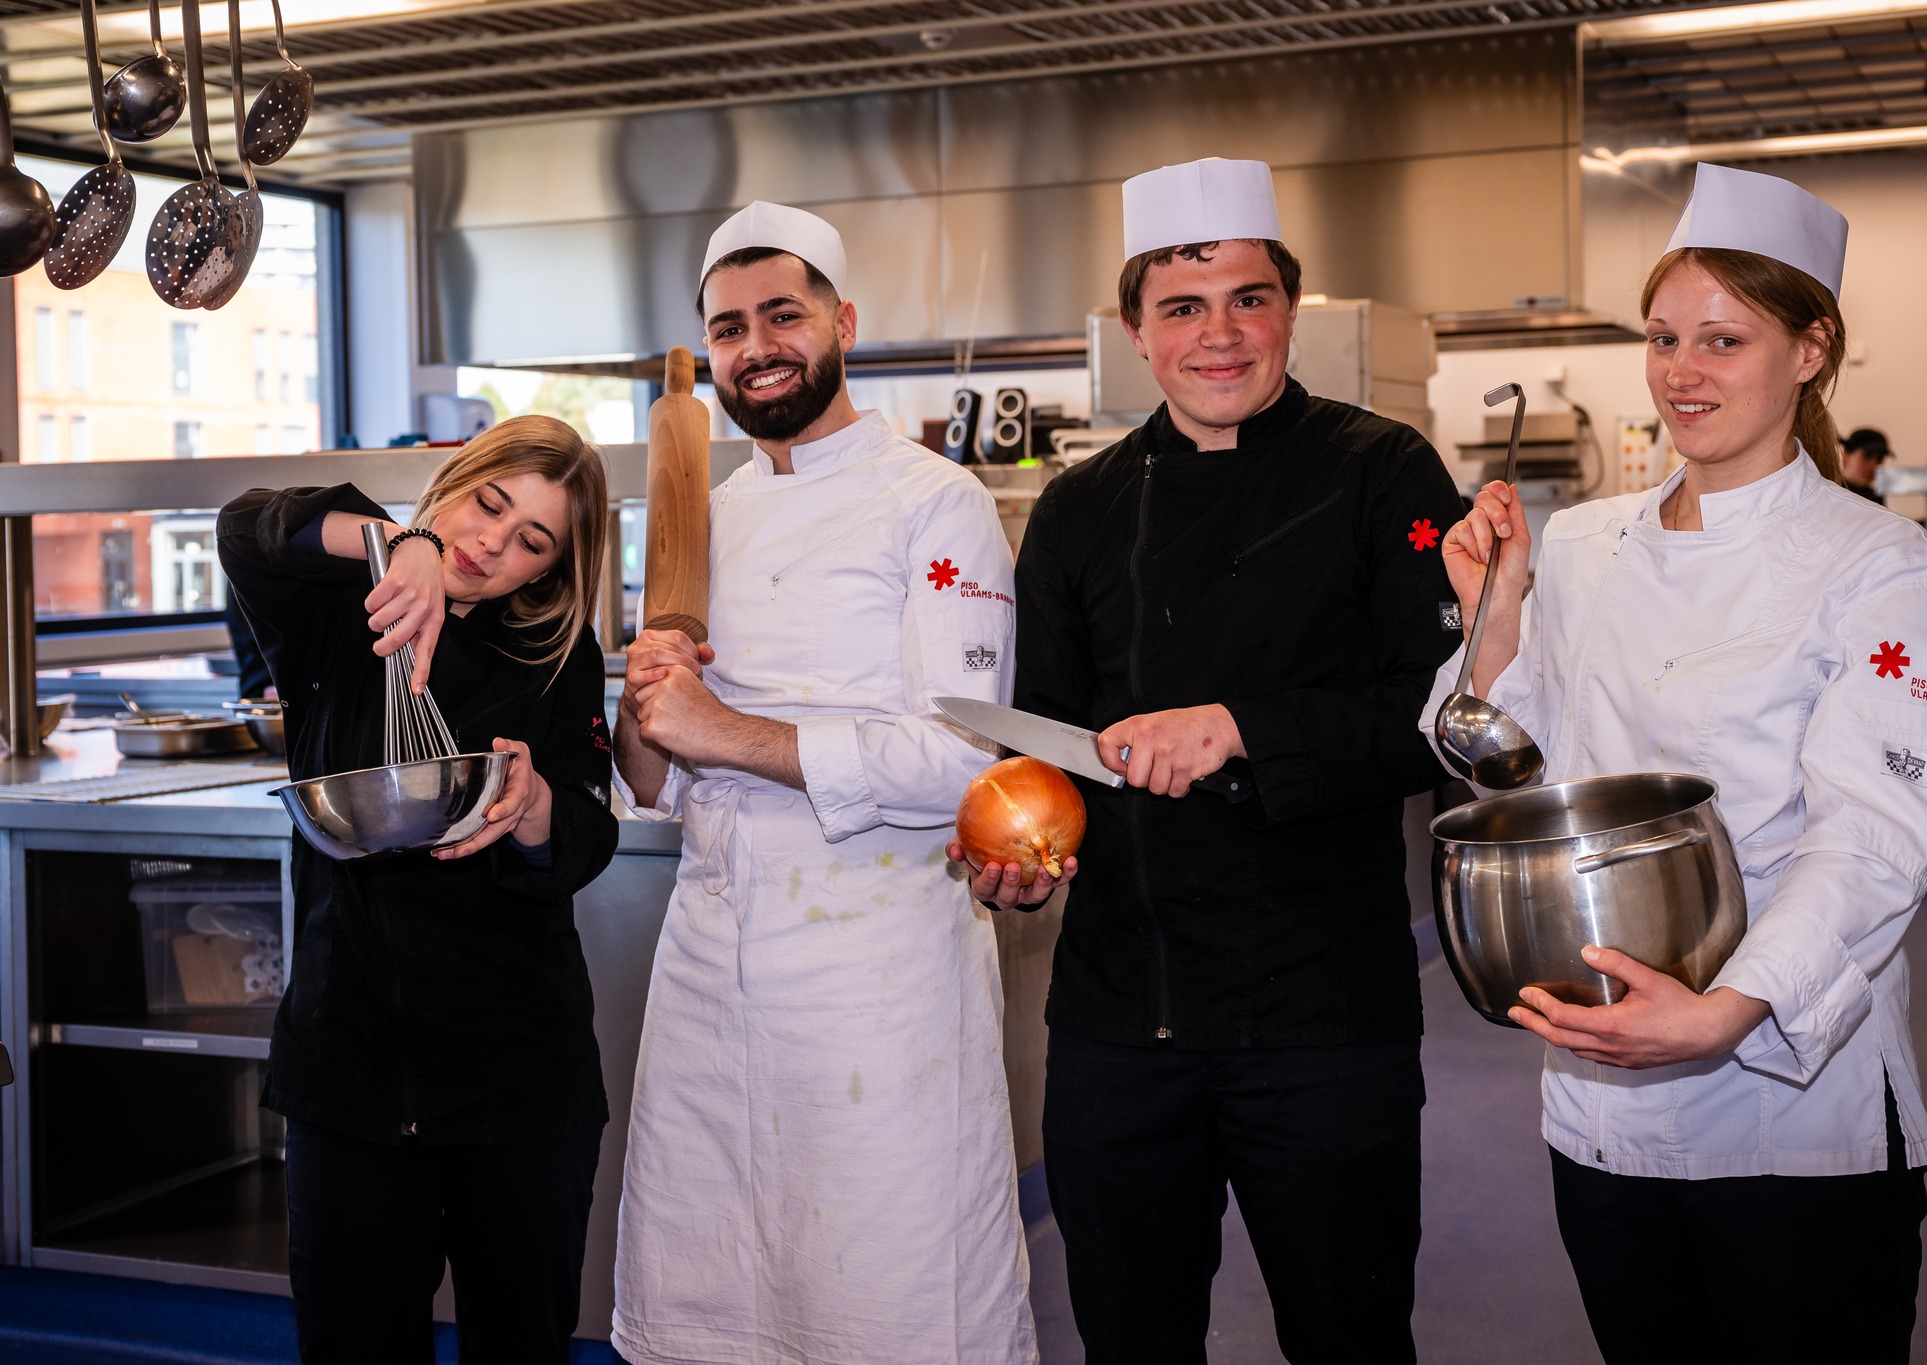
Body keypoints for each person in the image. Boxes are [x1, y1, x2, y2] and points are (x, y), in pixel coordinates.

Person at [1430, 164, 1927, 1364]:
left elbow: (1870, 830)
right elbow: (1514, 782)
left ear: (1809, 350)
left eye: (1723, 339)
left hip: (1786, 1101)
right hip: (1601, 1091)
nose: (1680, 371)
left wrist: (1725, 1012)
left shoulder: (1874, 561)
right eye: (1662, 338)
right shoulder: (1584, 544)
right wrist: (1494, 619)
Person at [999, 158, 1466, 1360]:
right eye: (1182, 307)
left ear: (1288, 310)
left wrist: (1241, 728)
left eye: (1247, 299)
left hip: (1325, 1017)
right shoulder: (1079, 509)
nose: (1218, 334)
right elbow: (1040, 736)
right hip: (1121, 1019)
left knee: (1348, 1335)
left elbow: (1435, 716)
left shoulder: (1383, 472)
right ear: (1134, 331)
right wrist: (1021, 851)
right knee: (1130, 1339)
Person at [609, 201, 1036, 1363]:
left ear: (843, 322)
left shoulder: (934, 502)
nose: (757, 348)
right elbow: (654, 781)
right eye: (728, 328)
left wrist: (723, 729)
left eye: (782, 316)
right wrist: (644, 704)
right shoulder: (704, 515)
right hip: (711, 959)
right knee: (715, 1294)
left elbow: (959, 757)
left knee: (889, 1294)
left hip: (877, 974)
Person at [216, 415, 620, 1364]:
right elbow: (246, 523)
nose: (493, 542)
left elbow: (588, 833)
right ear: (457, 478)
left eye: (533, 541)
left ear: (551, 569)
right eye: (489, 502)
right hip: (349, 1064)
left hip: (519, 1079)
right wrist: (400, 543)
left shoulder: (558, 655)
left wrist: (535, 810)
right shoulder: (335, 605)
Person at [1843, 425, 1893, 501]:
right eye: (1867, 456)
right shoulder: (1830, 492)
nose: (1873, 465)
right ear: (1846, 456)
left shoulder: (1875, 497)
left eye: (1879, 459)